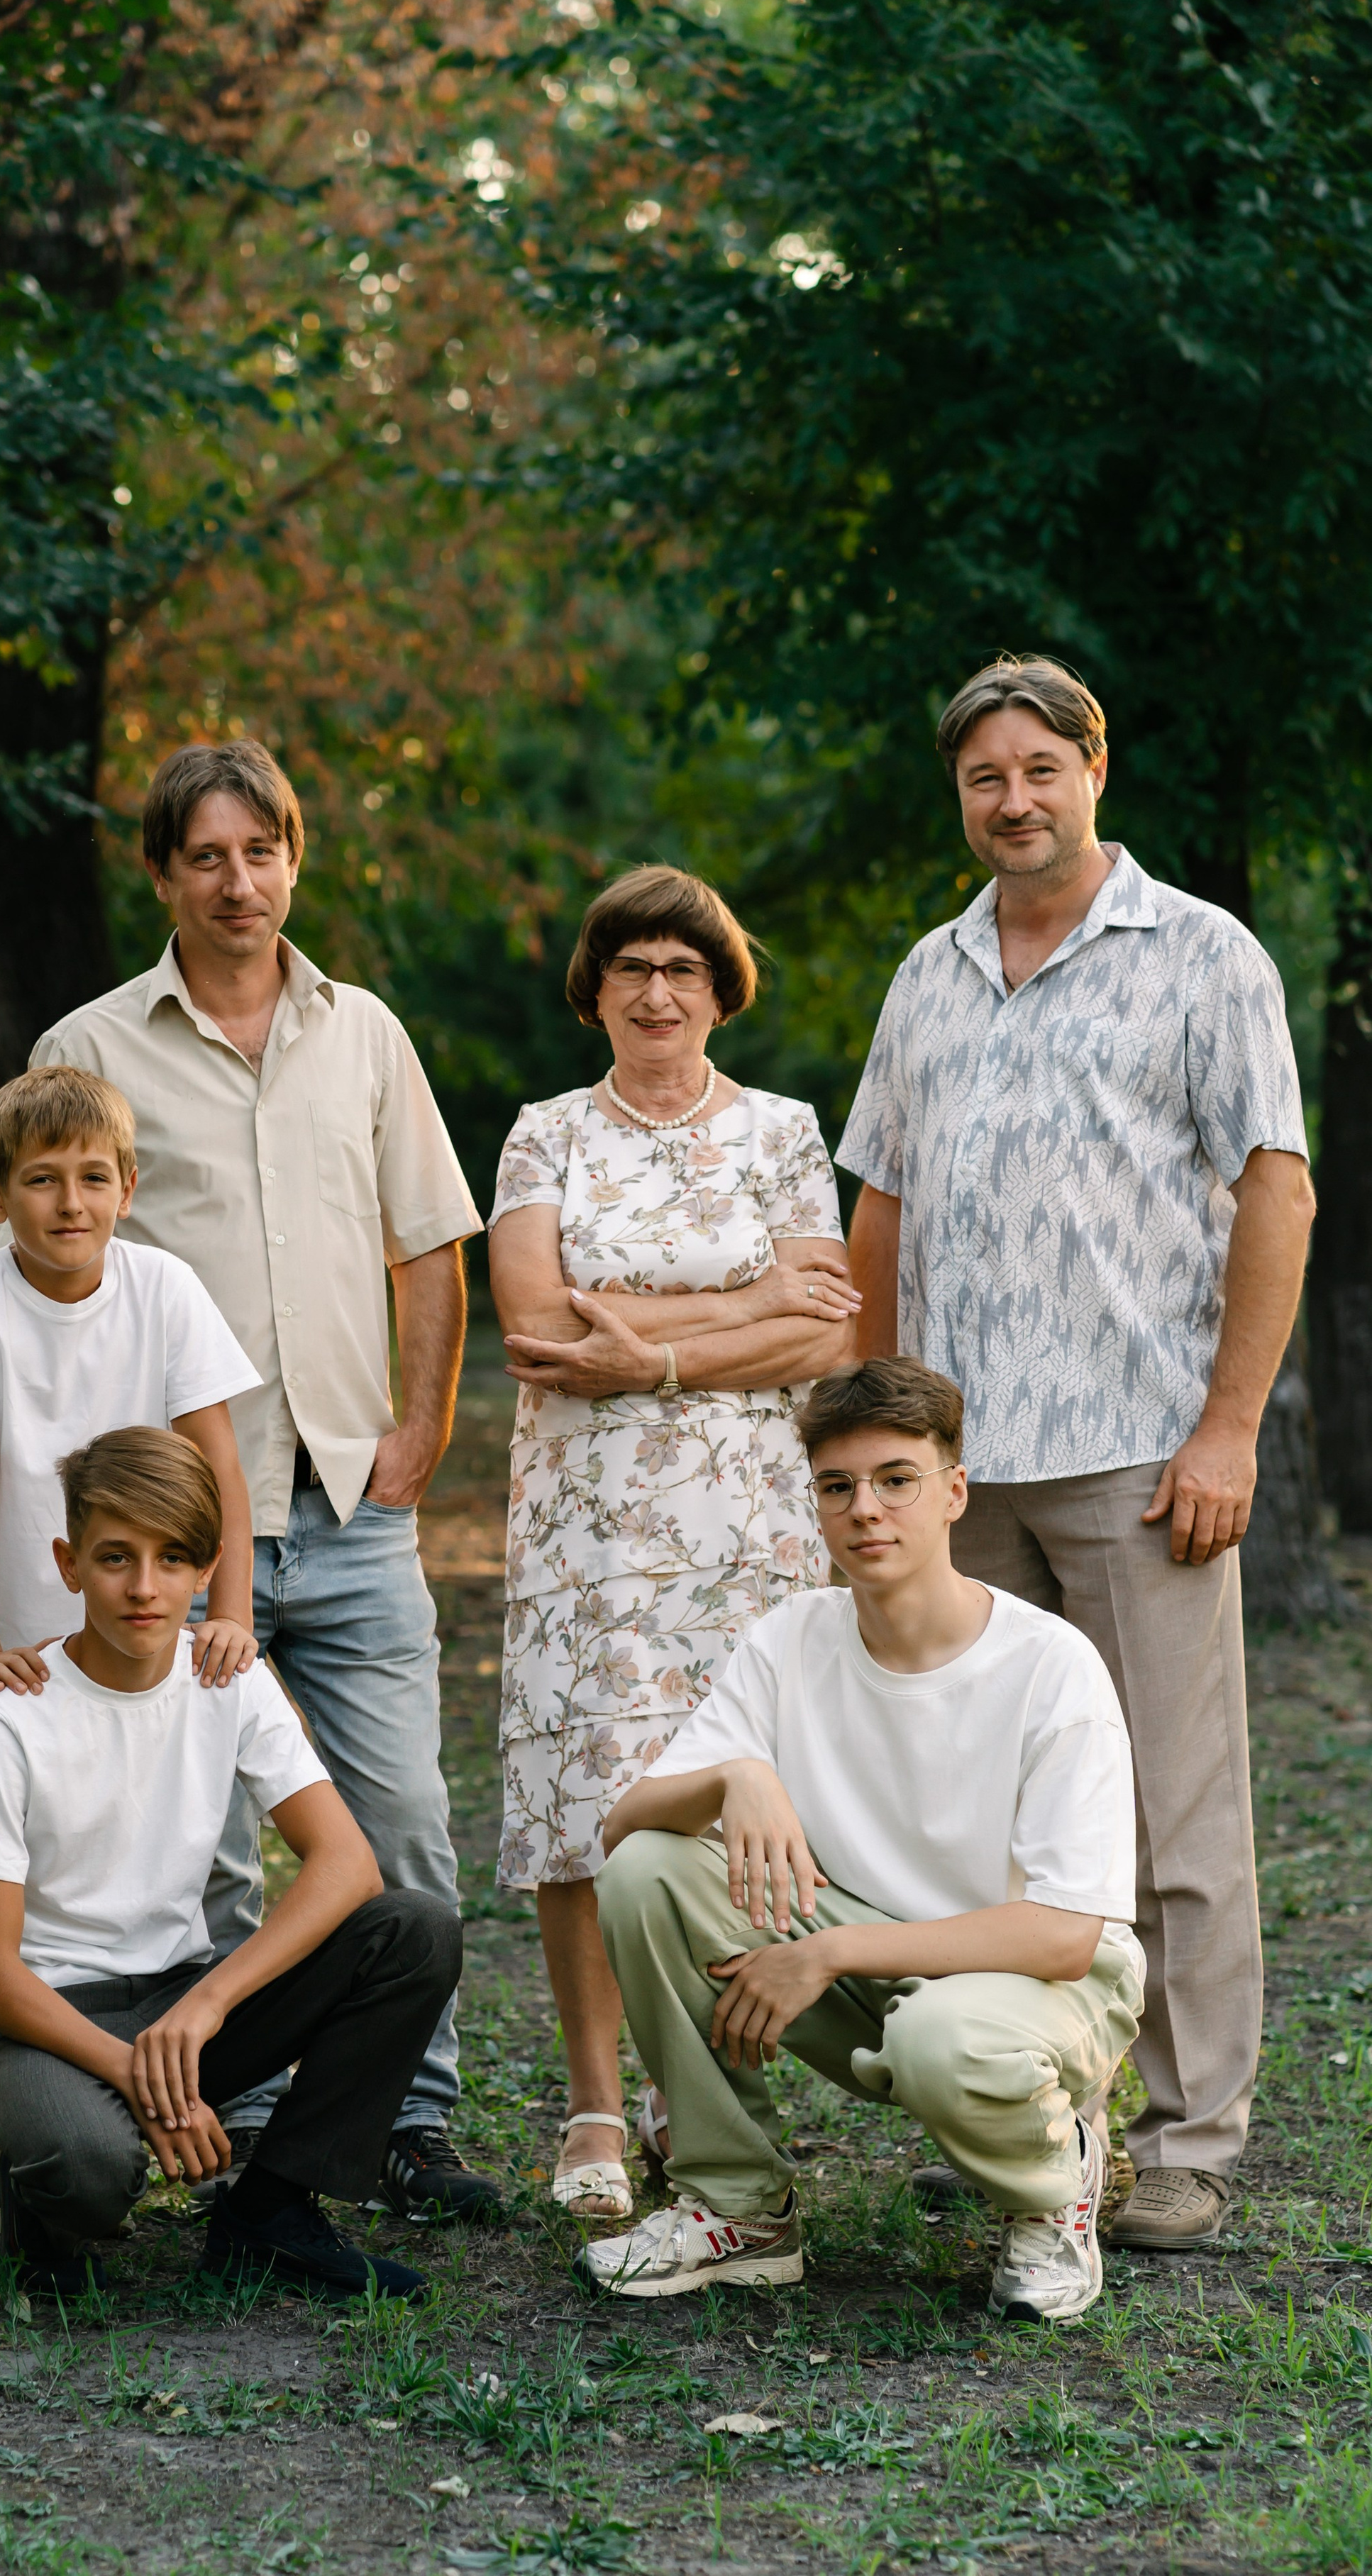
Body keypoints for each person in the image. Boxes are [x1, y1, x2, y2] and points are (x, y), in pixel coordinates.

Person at [838, 656, 1315, 2253]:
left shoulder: (1200, 958)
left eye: (1039, 767)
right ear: (957, 797)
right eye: (984, 777)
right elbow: (880, 1210)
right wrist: (872, 1444)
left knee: (1169, 1822)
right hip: (956, 1482)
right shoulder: (927, 974)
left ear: (1092, 768)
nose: (1012, 798)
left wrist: (1228, 1428)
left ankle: (1185, 2136)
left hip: (1136, 1461)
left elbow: (1274, 1194)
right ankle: (1033, 2110)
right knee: (983, 1816)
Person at [30, 738, 494, 2220]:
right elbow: (47, 1268)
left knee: (402, 1819)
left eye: (261, 851)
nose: (239, 882)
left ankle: (409, 2127)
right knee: (214, 1839)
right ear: (162, 875)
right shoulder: (91, 1049)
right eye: (206, 858)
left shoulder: (362, 1034)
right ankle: (241, 2125)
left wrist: (418, 1426)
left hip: (350, 1510)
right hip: (176, 1530)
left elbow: (427, 1240)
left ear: (296, 859)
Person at [581, 1358, 1143, 2326]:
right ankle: (739, 2211)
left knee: (939, 2037)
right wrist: (734, 1777)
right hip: (866, 1961)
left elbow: (1063, 1936)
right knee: (651, 1871)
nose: (865, 1511)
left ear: (954, 1492)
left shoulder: (1052, 1667)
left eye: (897, 1480)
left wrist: (829, 1951)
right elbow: (621, 1829)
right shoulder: (792, 1639)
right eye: (837, 1487)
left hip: (1045, 1988)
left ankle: (1058, 2186)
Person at [486, 865, 859, 2222]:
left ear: (720, 994)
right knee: (587, 1798)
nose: (656, 993)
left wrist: (644, 1356)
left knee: (718, 1789)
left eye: (682, 972)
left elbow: (829, 1332)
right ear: (596, 993)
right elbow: (536, 1326)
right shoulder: (544, 1137)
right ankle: (594, 2102)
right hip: (586, 1524)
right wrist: (745, 1300)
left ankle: (688, 2087)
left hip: (745, 1516)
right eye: (631, 968)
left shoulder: (781, 1133)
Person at [0, 1426, 461, 2302]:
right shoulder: (10, 1719)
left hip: (179, 2004)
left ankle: (270, 2216)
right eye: (115, 1558)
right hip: (42, 2024)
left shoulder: (228, 1680)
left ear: (209, 1566)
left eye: (173, 1558)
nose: (145, 1587)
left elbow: (346, 1866)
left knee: (415, 1932)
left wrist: (205, 2006)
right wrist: (131, 2071)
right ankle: (43, 2205)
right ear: (68, 1564)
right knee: (88, 2167)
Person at [0, 1065, 262, 2253]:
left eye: (93, 1178)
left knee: (170, 1870)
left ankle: (178, 2092)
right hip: (0, 1659)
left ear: (129, 1186)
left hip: (136, 1638)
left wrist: (231, 1612)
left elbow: (217, 1464)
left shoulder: (162, 1289)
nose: (70, 1201)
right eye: (42, 1181)